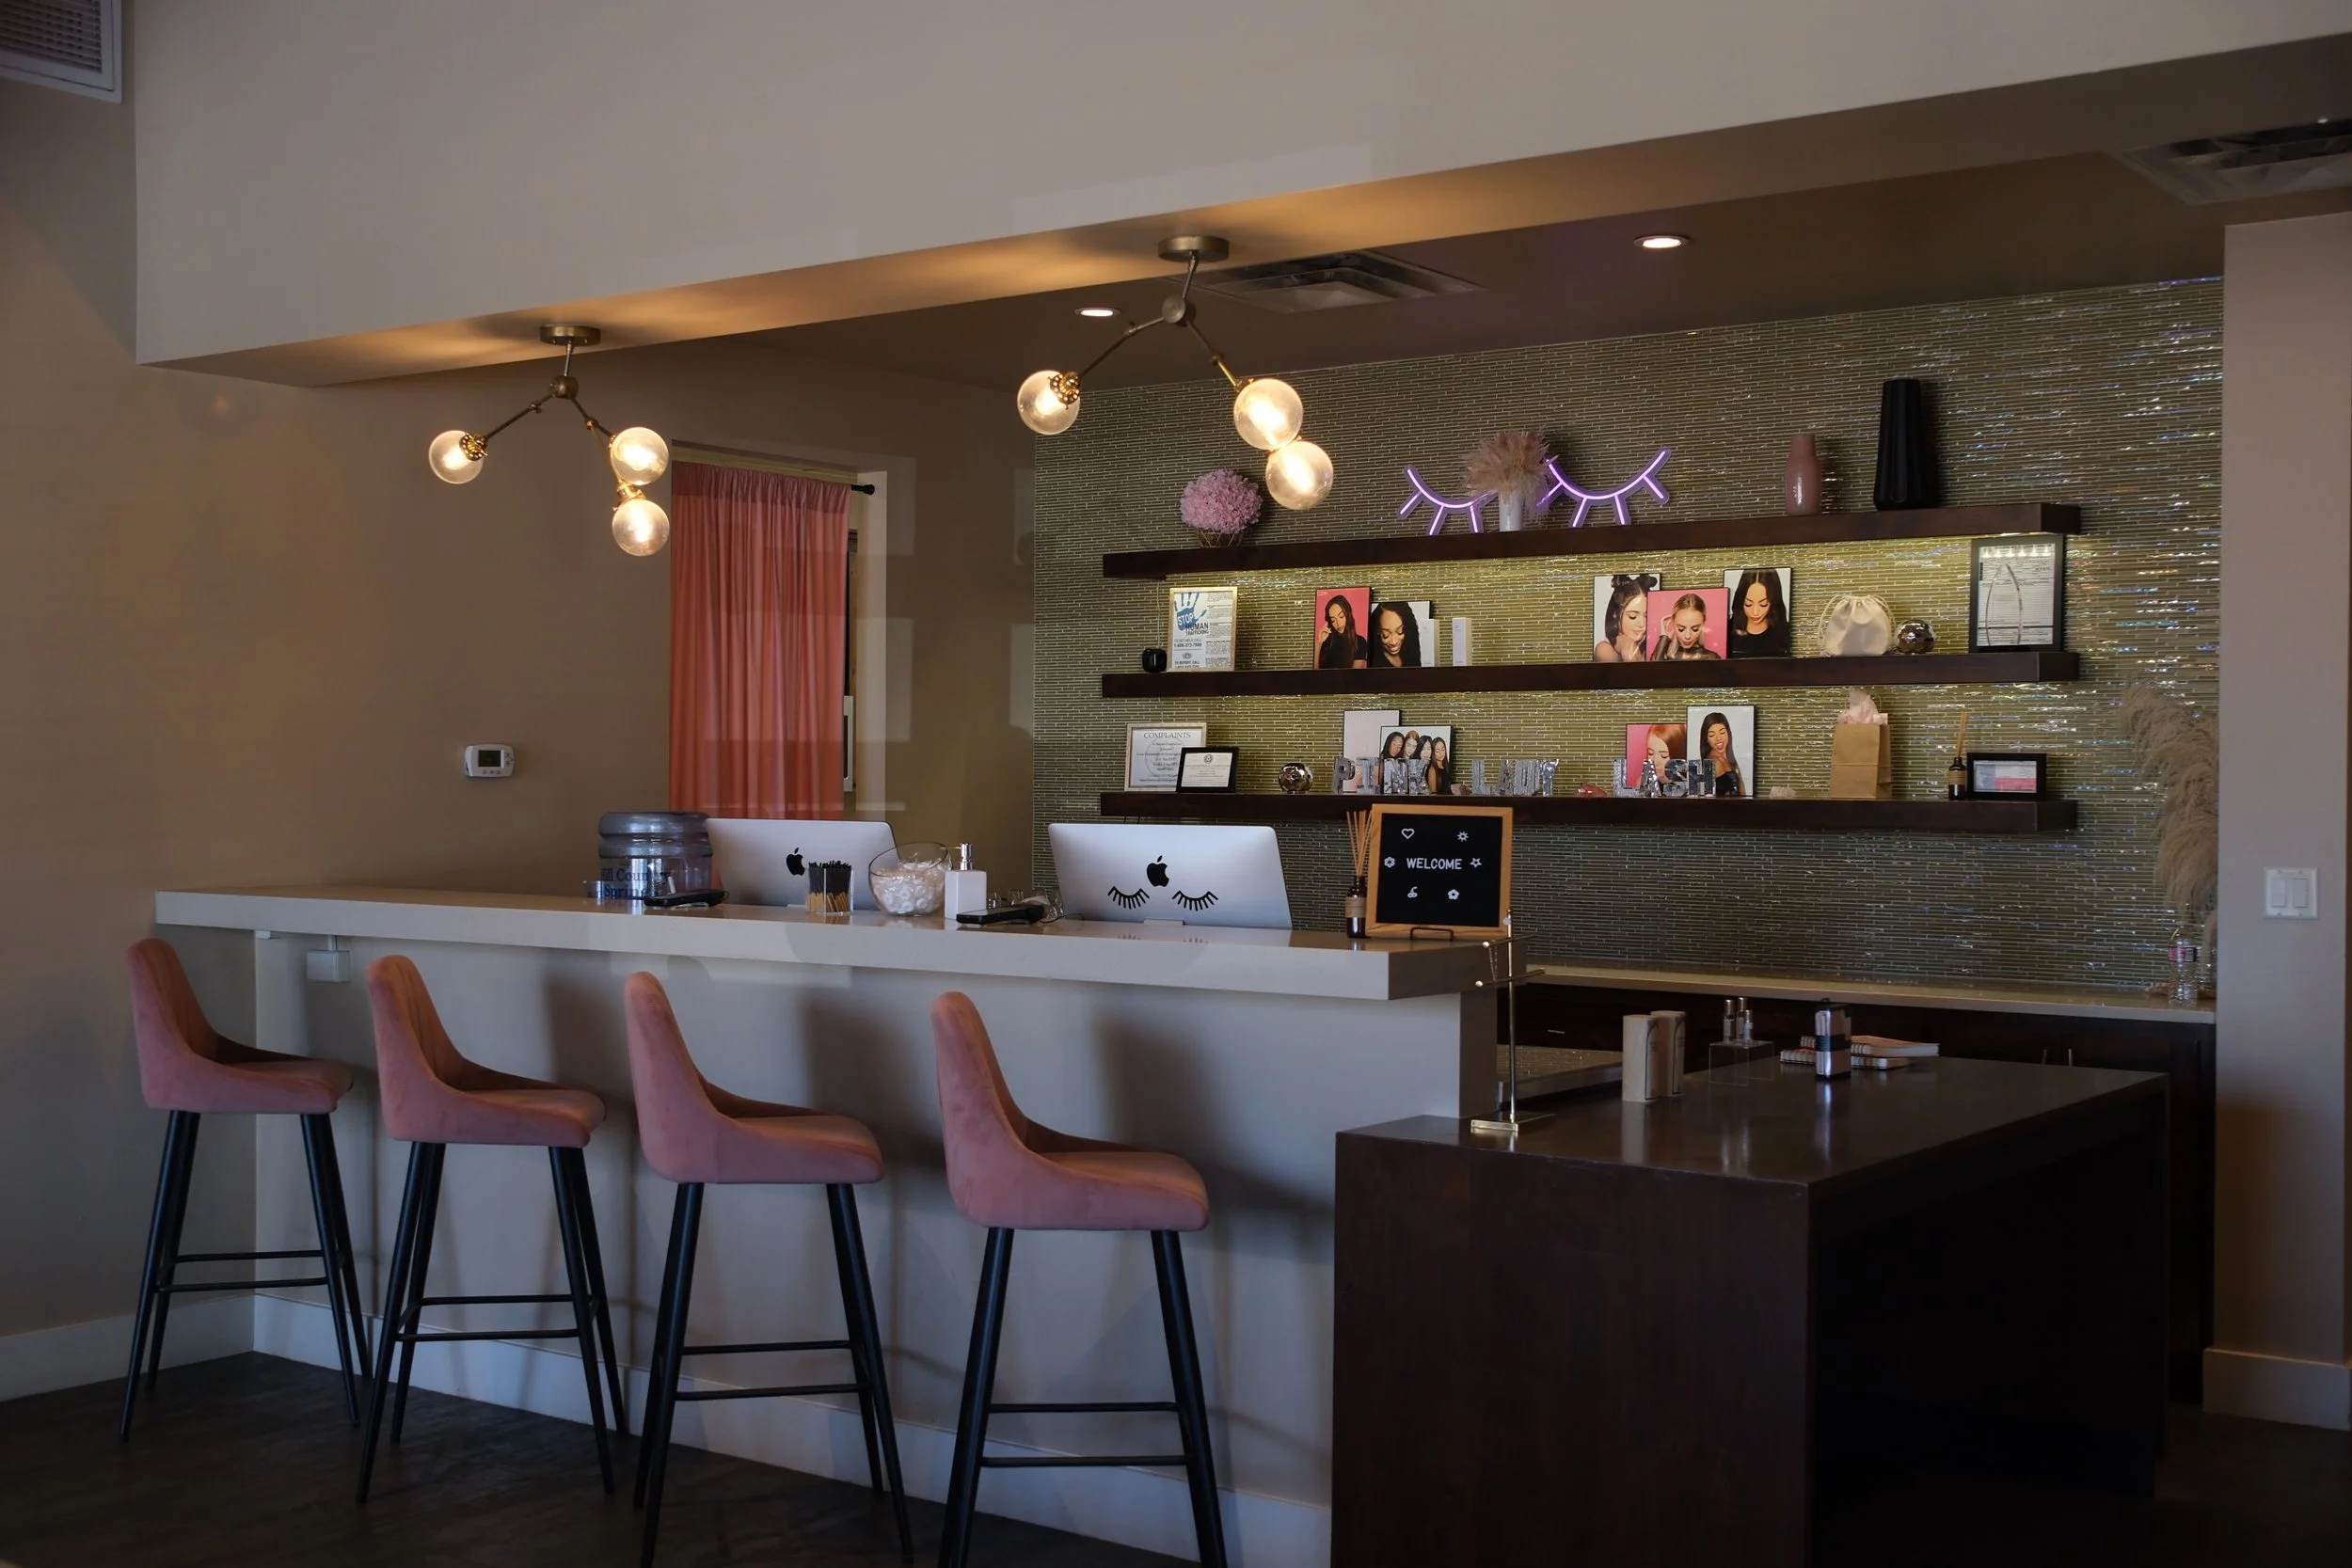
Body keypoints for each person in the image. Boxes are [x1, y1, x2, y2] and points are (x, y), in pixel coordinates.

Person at [1727, 569, 1792, 657]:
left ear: (1772, 602)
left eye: (1763, 605)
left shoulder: (1784, 631)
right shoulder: (1728, 629)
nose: (1755, 612)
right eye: (1748, 604)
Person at [1649, 593, 1723, 660]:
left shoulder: (1712, 657)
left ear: (1703, 624)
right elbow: (1651, 672)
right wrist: (1664, 638)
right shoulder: (1665, 655)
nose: (1687, 636)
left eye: (1695, 629)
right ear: (1673, 623)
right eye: (1681, 629)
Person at [1594, 577, 1650, 661]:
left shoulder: (1650, 646)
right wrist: (1626, 645)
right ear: (1615, 614)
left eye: (1646, 616)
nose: (1642, 624)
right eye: (1632, 616)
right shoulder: (1605, 649)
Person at [1697, 710, 1745, 798]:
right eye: (1712, 735)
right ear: (1707, 739)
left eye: (1722, 732)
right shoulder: (1712, 763)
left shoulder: (1730, 760)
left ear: (1728, 733)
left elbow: (1742, 793)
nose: (1718, 738)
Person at [1315, 594, 1368, 669]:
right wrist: (1319, 643)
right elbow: (1315, 675)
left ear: (1348, 615)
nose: (1338, 624)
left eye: (1341, 616)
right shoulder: (1326, 642)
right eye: (1333, 620)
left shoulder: (1360, 642)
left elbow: (1356, 676)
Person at [1633, 722, 1685, 790]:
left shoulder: (1688, 786)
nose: (1655, 761)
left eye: (1664, 756)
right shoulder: (1643, 783)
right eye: (1651, 753)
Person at [1370, 602, 1423, 668]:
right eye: (1386, 635)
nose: (1394, 642)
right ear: (1377, 632)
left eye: (1400, 632)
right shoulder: (1372, 659)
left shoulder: (1411, 650)